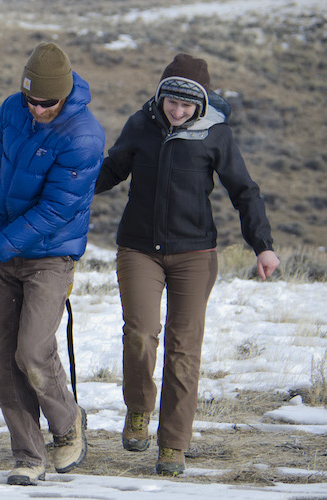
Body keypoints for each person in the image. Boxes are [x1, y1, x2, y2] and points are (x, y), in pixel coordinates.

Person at [94, 53, 280, 476]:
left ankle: (174, 444)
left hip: (195, 254)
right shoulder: (140, 125)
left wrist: (262, 245)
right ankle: (139, 410)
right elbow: (111, 171)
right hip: (139, 249)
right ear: (160, 96)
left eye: (186, 104)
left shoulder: (216, 133)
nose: (177, 111)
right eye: (170, 102)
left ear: (201, 101)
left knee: (183, 351)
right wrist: (67, 186)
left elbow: (245, 191)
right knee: (140, 334)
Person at [0, 42, 105, 486]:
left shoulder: (83, 135)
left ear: (64, 96)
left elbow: (55, 210)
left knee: (32, 352)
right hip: (3, 248)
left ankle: (67, 426)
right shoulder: (11, 110)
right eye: (31, 100)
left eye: (47, 102)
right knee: (3, 361)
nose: (37, 108)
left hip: (51, 255)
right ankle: (28, 454)